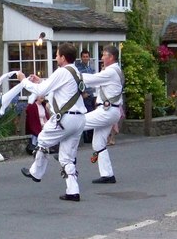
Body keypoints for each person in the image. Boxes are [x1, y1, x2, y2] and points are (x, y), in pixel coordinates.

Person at [18, 42, 86, 202]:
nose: (56, 57)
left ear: (63, 57)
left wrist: (23, 81)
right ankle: (73, 191)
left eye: (57, 55)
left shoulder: (62, 71)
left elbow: (42, 91)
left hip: (66, 118)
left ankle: (36, 172)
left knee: (42, 140)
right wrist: (40, 80)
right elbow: (58, 88)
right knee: (66, 158)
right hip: (79, 119)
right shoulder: (76, 72)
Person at [81, 44, 124, 184]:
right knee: (98, 143)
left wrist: (72, 74)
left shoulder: (111, 71)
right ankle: (108, 175)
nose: (101, 57)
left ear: (111, 57)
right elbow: (96, 84)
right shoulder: (113, 70)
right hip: (110, 111)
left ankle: (62, 150)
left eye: (104, 55)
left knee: (77, 122)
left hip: (107, 111)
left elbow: (92, 80)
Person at [76, 49, 95, 144]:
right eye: (84, 57)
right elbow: (78, 81)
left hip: (92, 95)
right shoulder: (78, 68)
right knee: (87, 115)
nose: (85, 58)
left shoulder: (90, 68)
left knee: (91, 115)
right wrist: (82, 93)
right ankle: (87, 137)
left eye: (87, 56)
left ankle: (90, 136)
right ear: (81, 57)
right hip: (85, 96)